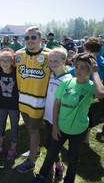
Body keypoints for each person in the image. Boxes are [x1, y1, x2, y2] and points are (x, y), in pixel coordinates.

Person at [30, 53, 104, 183]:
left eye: (83, 68)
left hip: (78, 130)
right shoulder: (66, 82)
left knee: (73, 158)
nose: (78, 70)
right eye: (76, 67)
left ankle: (69, 180)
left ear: (90, 69)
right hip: (60, 127)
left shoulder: (91, 86)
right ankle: (42, 176)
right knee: (51, 154)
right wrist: (55, 127)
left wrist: (96, 73)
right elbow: (56, 105)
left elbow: (100, 94)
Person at [14, 26, 51, 173]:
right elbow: (3, 66)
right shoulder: (18, 54)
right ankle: (34, 150)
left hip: (39, 101)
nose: (30, 41)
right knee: (30, 128)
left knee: (34, 130)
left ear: (41, 39)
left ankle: (31, 162)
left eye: (33, 37)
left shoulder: (50, 55)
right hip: (23, 99)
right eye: (27, 38)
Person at [42, 48, 72, 180]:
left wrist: (57, 122)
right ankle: (55, 166)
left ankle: (58, 167)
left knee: (51, 145)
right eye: (51, 60)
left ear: (63, 61)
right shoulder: (50, 74)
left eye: (56, 60)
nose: (52, 63)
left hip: (58, 120)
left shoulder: (67, 79)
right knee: (50, 145)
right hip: (48, 117)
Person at [0, 50, 20, 160]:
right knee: (0, 126)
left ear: (12, 62)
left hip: (14, 106)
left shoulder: (17, 71)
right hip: (1, 105)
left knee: (14, 127)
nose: (5, 63)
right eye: (2, 60)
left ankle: (12, 149)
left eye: (7, 61)